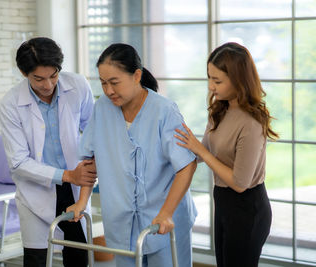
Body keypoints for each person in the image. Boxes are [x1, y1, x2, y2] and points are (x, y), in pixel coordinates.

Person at [67, 43, 197, 267]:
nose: (108, 91)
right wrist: (82, 201)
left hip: (164, 219)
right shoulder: (102, 109)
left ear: (137, 75)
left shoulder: (164, 111)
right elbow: (90, 161)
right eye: (104, 83)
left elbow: (186, 165)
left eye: (114, 82)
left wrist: (166, 213)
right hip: (121, 220)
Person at [174, 42, 276, 267]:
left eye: (217, 81)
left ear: (239, 79)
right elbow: (201, 153)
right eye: (209, 78)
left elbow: (240, 183)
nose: (211, 86)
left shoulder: (251, 123)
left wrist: (200, 150)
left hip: (247, 208)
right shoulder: (220, 110)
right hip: (223, 203)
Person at [0, 37, 96, 267]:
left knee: (78, 256)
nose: (48, 85)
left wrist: (83, 174)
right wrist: (67, 175)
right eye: (39, 79)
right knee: (36, 260)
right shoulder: (11, 103)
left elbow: (93, 133)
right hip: (37, 190)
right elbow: (18, 162)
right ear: (24, 73)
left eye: (53, 75)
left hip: (74, 189)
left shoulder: (78, 85)